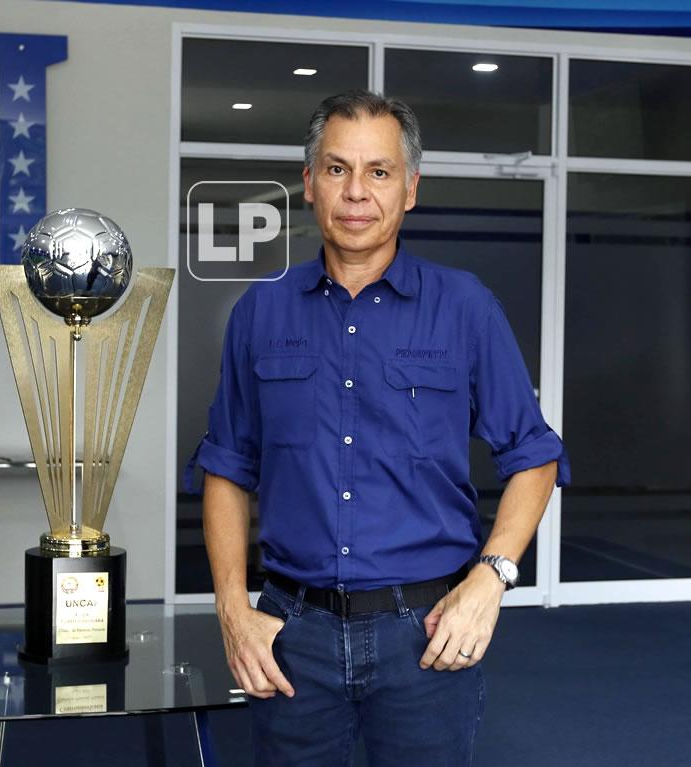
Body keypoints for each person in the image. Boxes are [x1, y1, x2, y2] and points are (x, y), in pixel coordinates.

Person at [184, 89, 570, 766]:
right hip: (290, 635)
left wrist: (490, 580)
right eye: (336, 169)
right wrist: (232, 611)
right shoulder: (261, 311)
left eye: (379, 171)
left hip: (424, 634)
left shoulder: (465, 306)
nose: (356, 191)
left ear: (410, 188)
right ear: (308, 184)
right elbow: (226, 465)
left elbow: (534, 454)